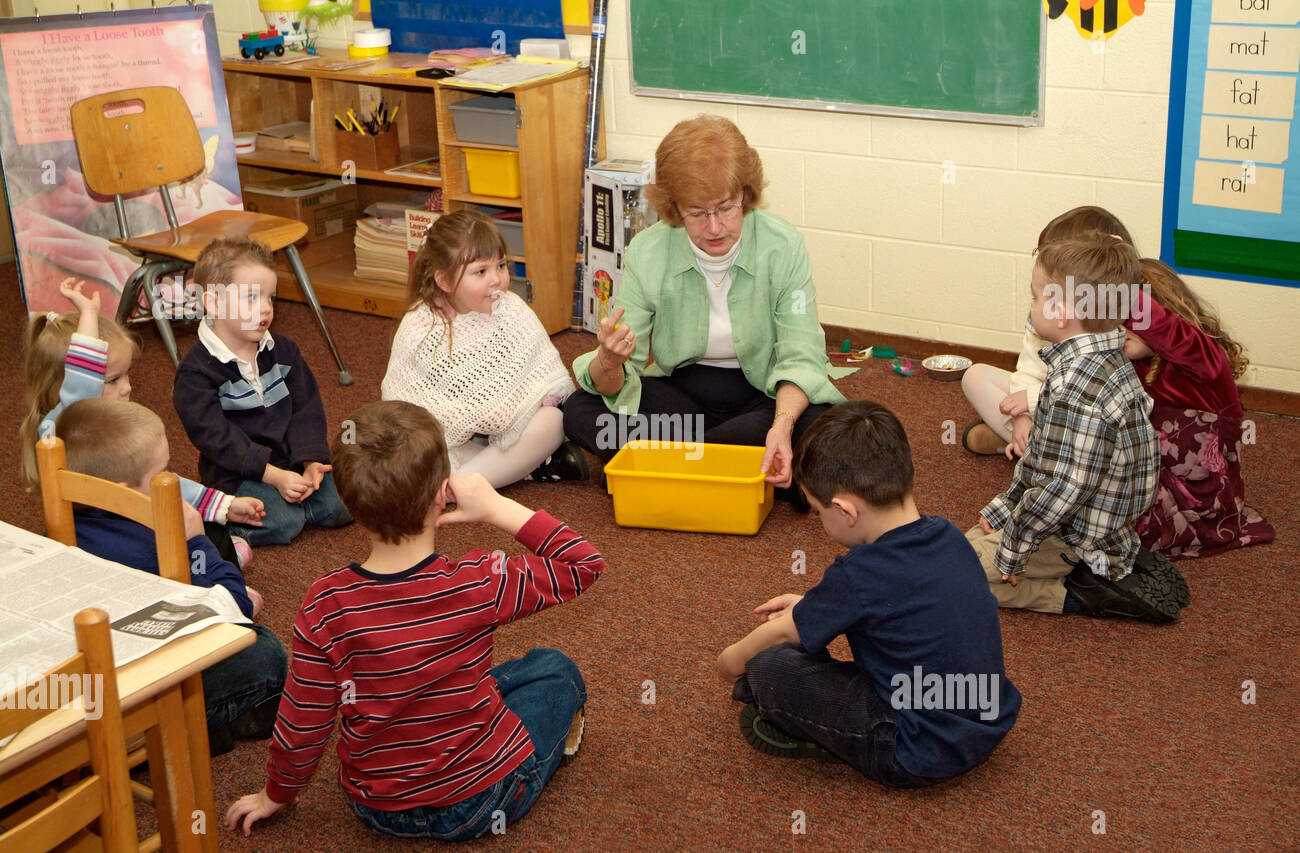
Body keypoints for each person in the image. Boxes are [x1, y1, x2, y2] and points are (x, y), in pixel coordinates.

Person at [224, 400, 603, 841]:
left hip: (375, 805)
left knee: (503, 676)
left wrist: (278, 794)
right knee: (557, 671)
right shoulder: (477, 583)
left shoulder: (324, 602)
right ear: (444, 493)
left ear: (348, 502)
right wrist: (497, 508)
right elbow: (583, 564)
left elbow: (303, 719)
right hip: (478, 800)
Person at [716, 400, 1021, 786]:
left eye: (817, 511)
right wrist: (809, 608)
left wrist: (728, 662)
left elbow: (781, 633)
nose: (819, 520)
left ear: (845, 511)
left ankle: (828, 742)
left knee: (770, 666)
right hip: (986, 716)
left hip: (912, 747)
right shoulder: (948, 534)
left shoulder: (858, 573)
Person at [561, 115, 844, 501]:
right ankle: (746, 467)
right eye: (697, 212)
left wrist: (781, 425)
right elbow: (619, 379)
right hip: (682, 403)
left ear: (746, 194)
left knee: (835, 426)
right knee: (580, 411)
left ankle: (666, 467)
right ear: (674, 208)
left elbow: (802, 356)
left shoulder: (783, 245)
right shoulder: (648, 250)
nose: (714, 227)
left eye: (726, 207)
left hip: (765, 396)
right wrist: (608, 362)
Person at [967, 236, 1188, 623]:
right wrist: (1004, 510)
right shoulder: (1100, 361)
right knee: (954, 552)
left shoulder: (1078, 389)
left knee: (951, 579)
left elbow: (1064, 488)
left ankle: (1080, 593)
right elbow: (1044, 458)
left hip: (1071, 538)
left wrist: (1014, 544)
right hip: (1086, 522)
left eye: (1035, 297)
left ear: (1061, 311)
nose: (1031, 306)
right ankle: (1079, 576)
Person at [55, 398, 285, 756]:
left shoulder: (64, 513)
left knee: (218, 536)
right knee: (264, 652)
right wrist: (195, 542)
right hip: (139, 684)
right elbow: (233, 608)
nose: (172, 482)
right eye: (162, 475)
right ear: (123, 490)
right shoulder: (153, 545)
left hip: (92, 666)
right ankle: (188, 732)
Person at [20, 276, 264, 568]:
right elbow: (83, 383)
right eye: (112, 380)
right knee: (198, 537)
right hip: (113, 538)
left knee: (202, 521)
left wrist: (221, 504)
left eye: (126, 375)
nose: (127, 388)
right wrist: (88, 316)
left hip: (120, 526)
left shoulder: (105, 423)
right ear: (67, 383)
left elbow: (159, 483)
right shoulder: (66, 423)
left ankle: (223, 557)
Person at [381, 210, 586, 487]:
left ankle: (455, 487)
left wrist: (538, 398)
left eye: (500, 266)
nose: (496, 279)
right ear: (444, 280)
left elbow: (541, 373)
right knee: (415, 448)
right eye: (480, 271)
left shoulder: (510, 308)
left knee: (552, 422)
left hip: (508, 432)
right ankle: (512, 472)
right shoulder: (420, 325)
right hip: (451, 439)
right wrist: (477, 413)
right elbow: (406, 406)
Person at [173, 237, 351, 546]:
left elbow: (306, 409)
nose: (266, 309)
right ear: (214, 302)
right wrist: (273, 476)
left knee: (348, 500)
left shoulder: (284, 350)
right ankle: (221, 516)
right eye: (252, 298)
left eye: (271, 298)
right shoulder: (195, 372)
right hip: (237, 474)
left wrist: (310, 461)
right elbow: (217, 439)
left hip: (290, 461)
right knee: (283, 523)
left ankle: (301, 503)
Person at [961, 206, 1135, 458]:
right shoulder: (1044, 311)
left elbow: (1086, 391)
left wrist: (1030, 401)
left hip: (1087, 424)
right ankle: (1021, 439)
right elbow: (1028, 370)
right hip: (1043, 402)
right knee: (975, 376)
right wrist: (1020, 417)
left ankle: (1023, 446)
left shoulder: (1120, 318)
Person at [1126, 259, 1274, 557]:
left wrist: (1112, 285)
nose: (1120, 328)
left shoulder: (1203, 365)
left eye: (1127, 318)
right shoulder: (1130, 362)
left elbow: (1168, 330)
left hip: (1197, 505)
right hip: (1152, 479)